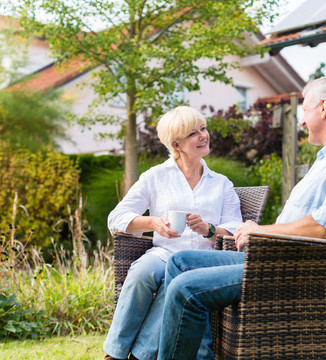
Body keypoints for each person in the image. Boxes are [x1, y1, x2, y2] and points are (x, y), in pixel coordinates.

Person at [157, 77, 326, 360]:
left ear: (323, 108)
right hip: (275, 256)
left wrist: (260, 231)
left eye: (305, 110)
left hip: (300, 267)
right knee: (180, 262)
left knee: (186, 288)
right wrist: (260, 232)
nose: (302, 121)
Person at [103, 106, 242, 360]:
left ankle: (139, 355)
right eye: (193, 134)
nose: (203, 136)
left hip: (202, 260)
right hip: (163, 252)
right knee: (139, 274)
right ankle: (114, 353)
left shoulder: (221, 183)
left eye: (203, 128)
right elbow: (117, 217)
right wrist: (153, 223)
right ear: (176, 144)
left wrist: (209, 229)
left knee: (172, 282)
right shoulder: (155, 177)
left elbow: (235, 229)